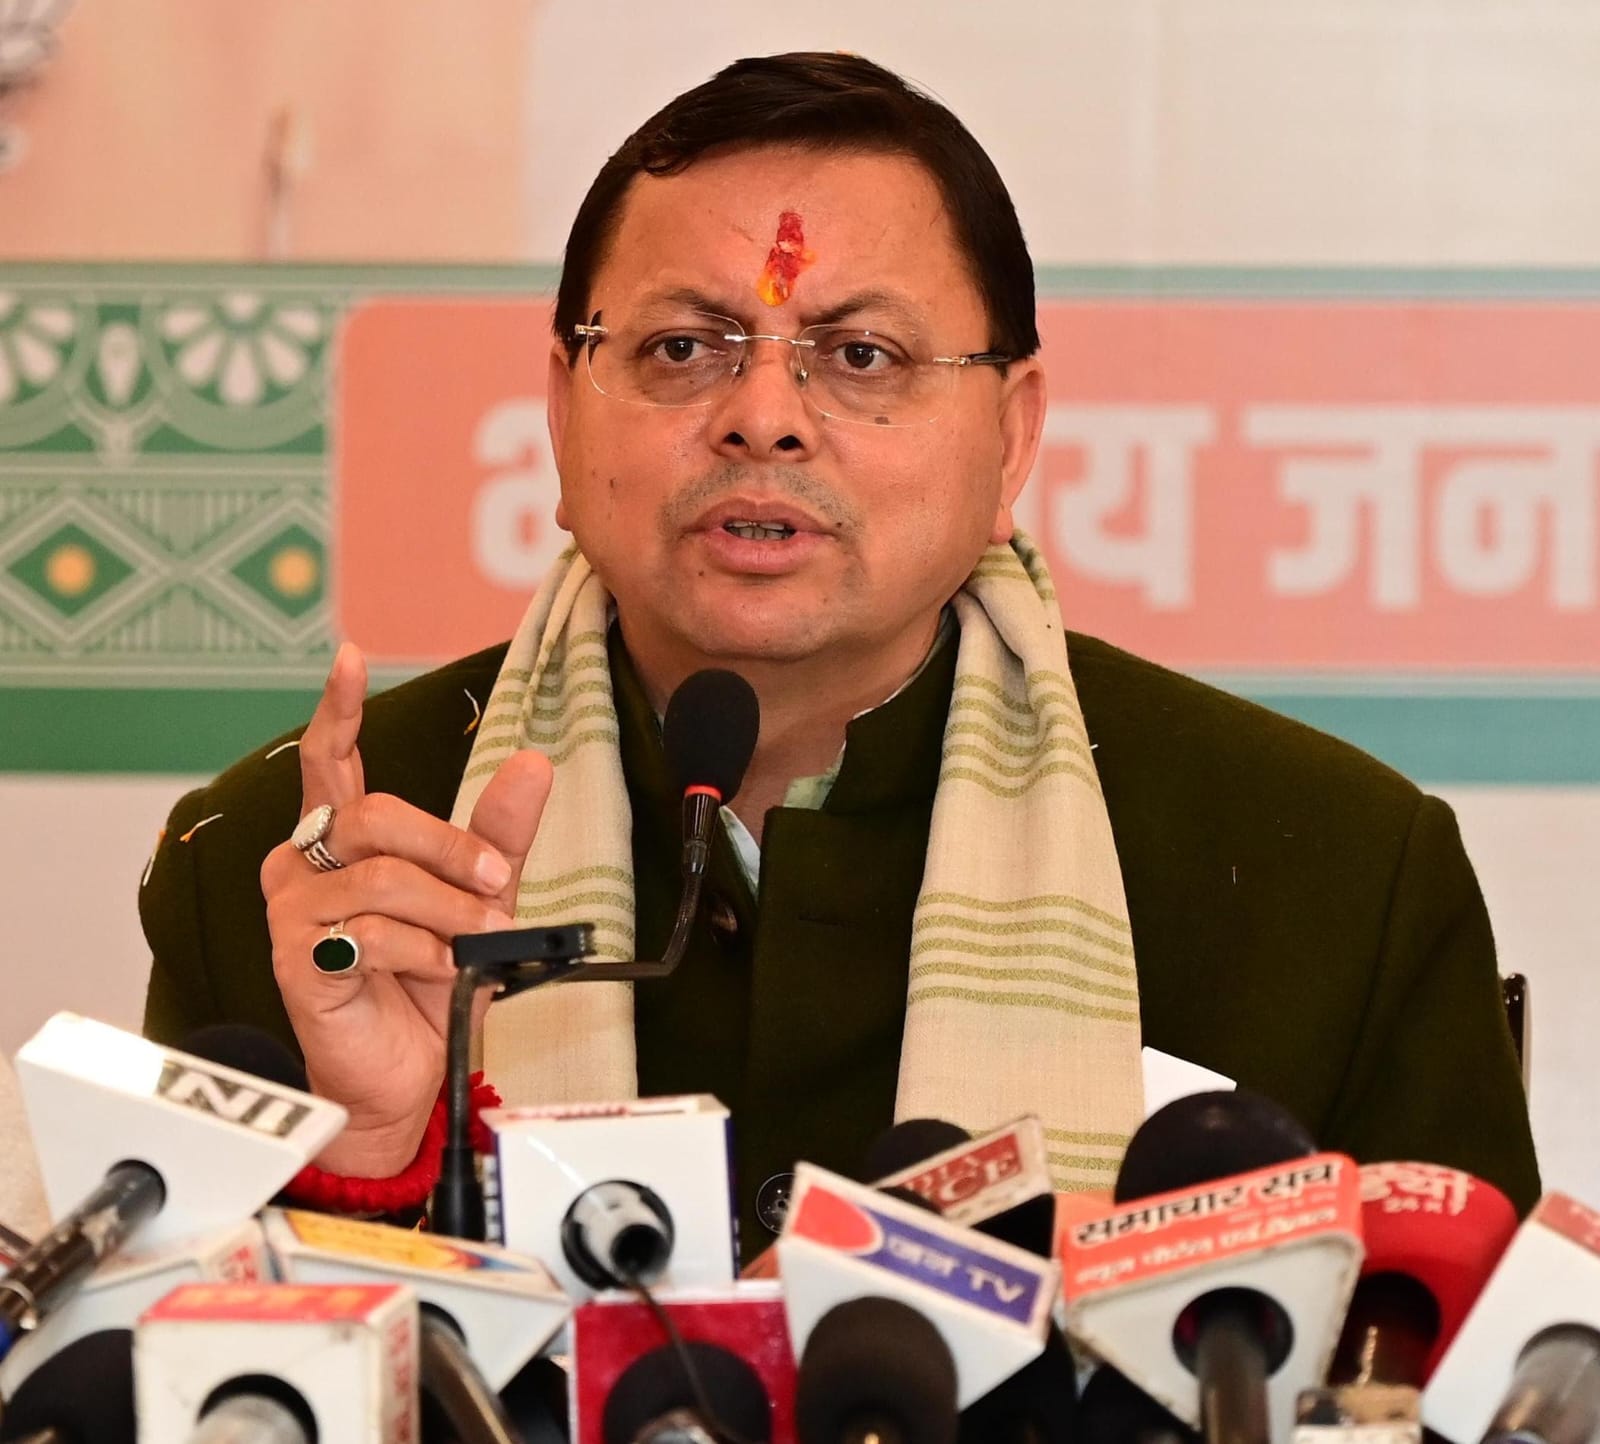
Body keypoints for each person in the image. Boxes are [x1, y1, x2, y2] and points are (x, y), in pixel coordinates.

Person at [139, 52, 1538, 1248]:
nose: (763, 416)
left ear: (1014, 438)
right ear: (563, 414)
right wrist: (377, 1156)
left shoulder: (1328, 877)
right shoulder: (309, 874)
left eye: (861, 356)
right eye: (683, 349)